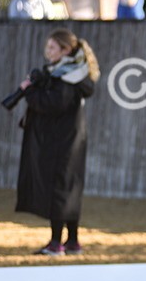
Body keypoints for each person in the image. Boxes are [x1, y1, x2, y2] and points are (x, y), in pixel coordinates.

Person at [14, 28, 100, 255]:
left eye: (52, 47)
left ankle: (56, 243)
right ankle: (72, 241)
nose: (47, 51)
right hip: (72, 140)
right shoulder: (73, 73)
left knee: (59, 188)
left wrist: (29, 93)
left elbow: (53, 104)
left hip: (62, 141)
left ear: (66, 50)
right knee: (69, 187)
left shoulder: (67, 75)